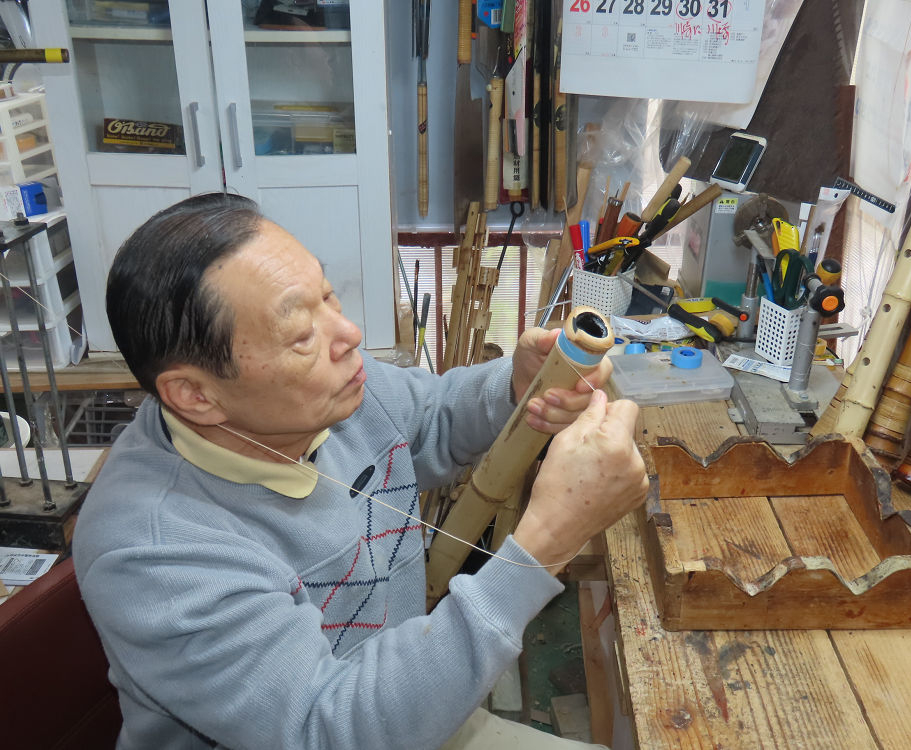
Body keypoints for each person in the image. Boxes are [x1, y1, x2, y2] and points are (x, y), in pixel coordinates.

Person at [73, 192, 649, 750]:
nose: (348, 336)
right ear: (195, 396)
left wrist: (516, 388)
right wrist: (548, 539)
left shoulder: (325, 394)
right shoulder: (153, 552)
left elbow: (433, 415)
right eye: (301, 335)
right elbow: (329, 730)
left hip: (402, 704)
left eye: (328, 297)